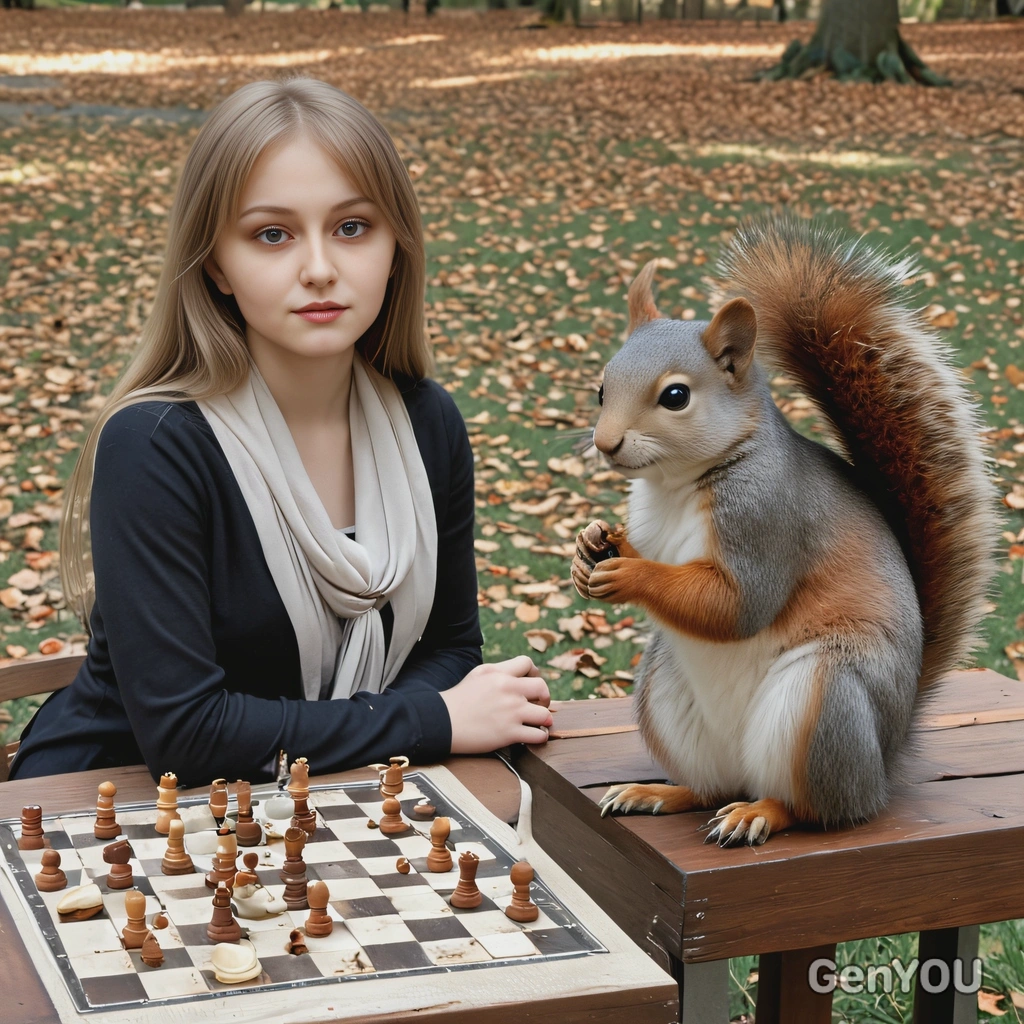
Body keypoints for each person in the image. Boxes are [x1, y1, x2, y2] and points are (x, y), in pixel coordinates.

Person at [11, 78, 552, 785]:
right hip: (119, 813)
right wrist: (436, 719)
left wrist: (368, 729)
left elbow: (450, 648)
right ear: (216, 265)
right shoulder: (156, 445)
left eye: (353, 227)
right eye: (272, 234)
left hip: (330, 799)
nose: (320, 268)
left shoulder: (428, 424)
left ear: (395, 246)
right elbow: (189, 734)